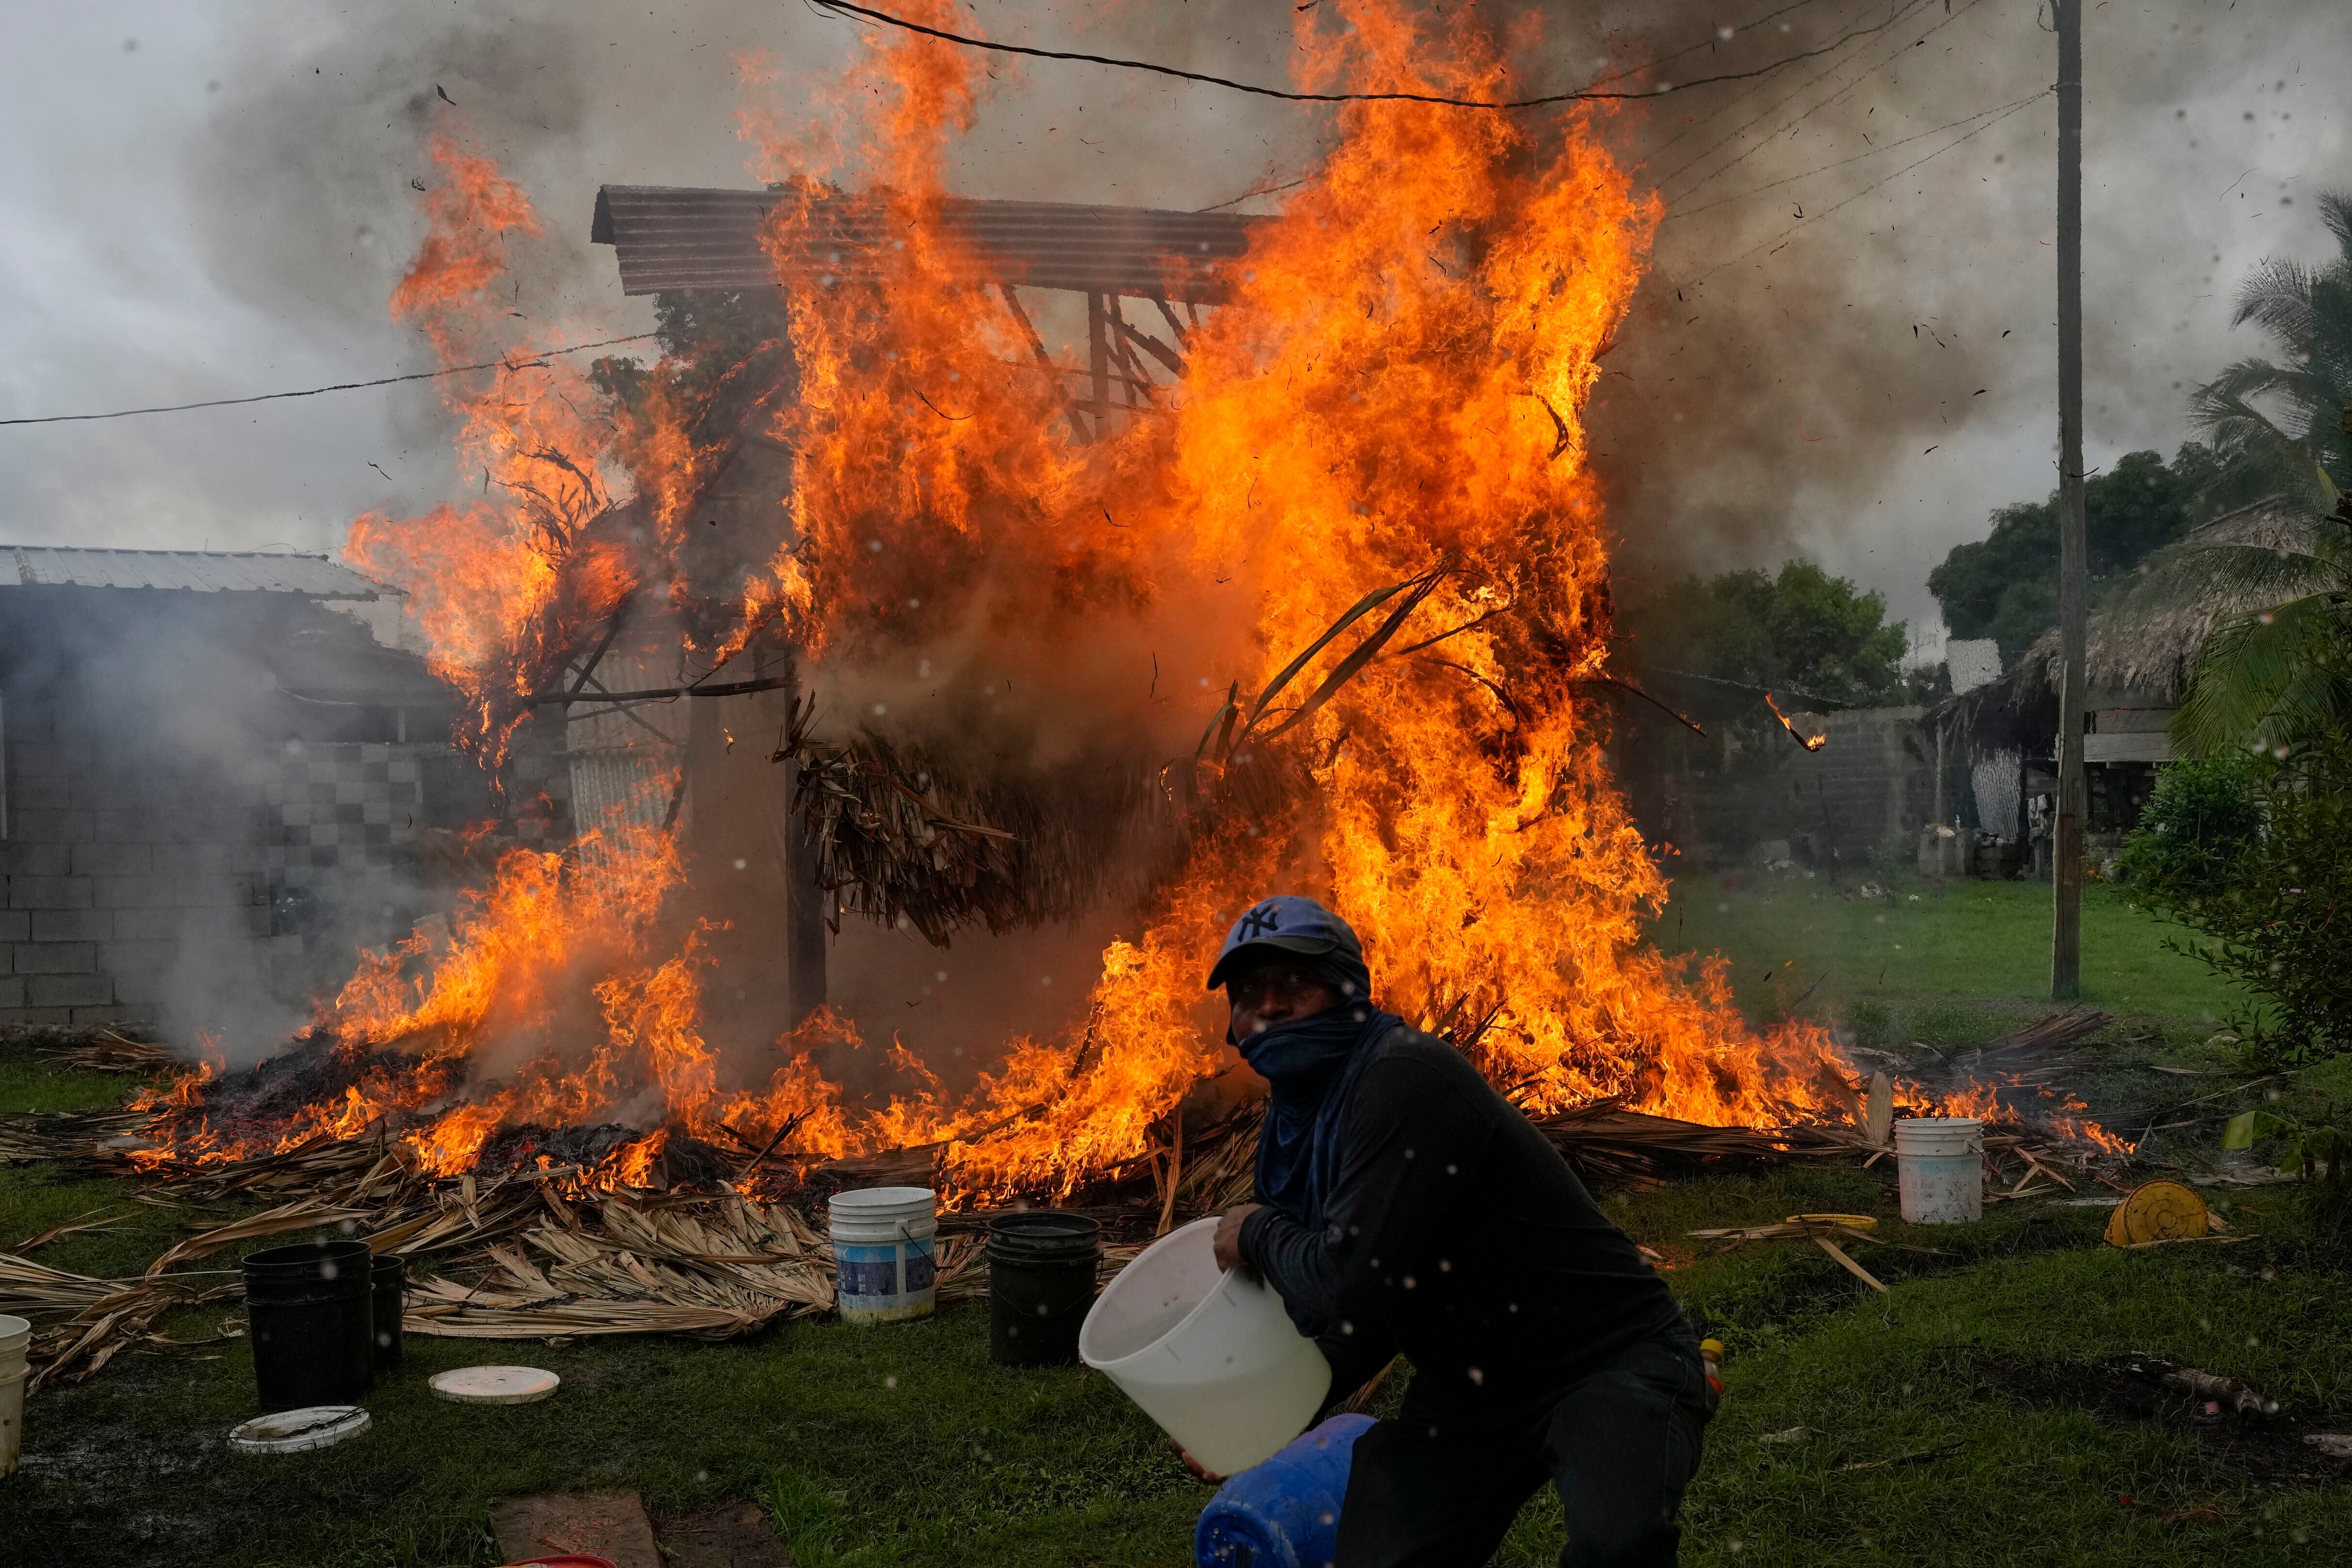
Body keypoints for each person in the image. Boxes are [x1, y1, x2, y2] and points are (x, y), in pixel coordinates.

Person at [1204, 894, 1713, 1568]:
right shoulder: (1293, 1130)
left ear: (1348, 989)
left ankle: (1674, 1391)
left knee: (1616, 1549)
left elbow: (1349, 1280)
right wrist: (1261, 1418)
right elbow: (1358, 1316)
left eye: (1294, 983)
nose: (1268, 1006)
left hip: (1603, 1358)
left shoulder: (1400, 1075)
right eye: (1248, 993)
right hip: (1470, 1389)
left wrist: (1257, 1232)